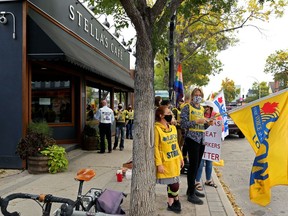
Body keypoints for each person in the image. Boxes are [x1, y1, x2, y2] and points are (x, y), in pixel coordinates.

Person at [180, 87, 213, 205]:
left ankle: (191, 189)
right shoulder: (187, 108)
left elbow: (203, 126)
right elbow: (183, 124)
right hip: (191, 139)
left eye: (200, 95)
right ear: (192, 96)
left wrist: (208, 124)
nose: (198, 96)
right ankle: (191, 194)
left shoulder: (202, 108)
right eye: (196, 94)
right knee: (193, 166)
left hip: (201, 140)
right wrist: (196, 122)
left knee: (198, 165)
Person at [154, 105, 184, 213]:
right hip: (165, 162)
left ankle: (171, 202)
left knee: (174, 183)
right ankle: (175, 200)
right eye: (168, 113)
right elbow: (156, 148)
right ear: (161, 115)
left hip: (175, 160)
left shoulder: (173, 128)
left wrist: (181, 157)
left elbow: (176, 144)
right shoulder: (156, 129)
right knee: (174, 185)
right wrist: (159, 164)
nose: (170, 114)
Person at [195, 100, 221, 190]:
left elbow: (220, 128)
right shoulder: (200, 115)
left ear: (210, 108)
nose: (205, 109)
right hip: (202, 142)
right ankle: (197, 181)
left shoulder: (216, 116)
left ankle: (208, 180)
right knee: (201, 163)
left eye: (206, 107)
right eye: (204, 107)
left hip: (211, 145)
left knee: (209, 163)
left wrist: (216, 123)